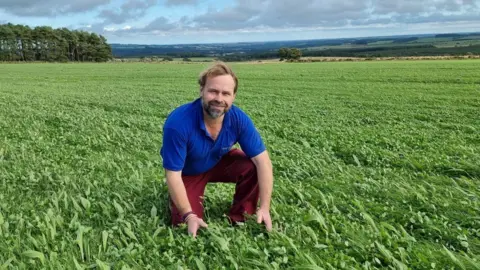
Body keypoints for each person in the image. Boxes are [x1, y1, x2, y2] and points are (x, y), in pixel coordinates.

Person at [160, 61, 274, 237]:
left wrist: (265, 207)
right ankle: (180, 203)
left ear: (233, 97)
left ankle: (241, 215)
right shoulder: (178, 124)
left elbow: (263, 162)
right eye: (213, 91)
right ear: (201, 91)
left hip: (218, 160)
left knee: (251, 165)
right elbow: (173, 174)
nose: (219, 99)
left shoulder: (238, 119)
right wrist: (189, 214)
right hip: (188, 173)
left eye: (226, 93)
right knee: (185, 225)